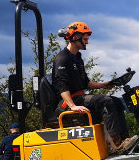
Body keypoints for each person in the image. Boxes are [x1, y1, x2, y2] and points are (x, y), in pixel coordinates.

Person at [52, 21, 134, 152]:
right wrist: (72, 106)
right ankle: (117, 144)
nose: (87, 42)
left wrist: (103, 85)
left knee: (117, 101)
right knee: (107, 102)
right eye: (85, 39)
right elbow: (61, 85)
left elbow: (85, 83)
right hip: (68, 101)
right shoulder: (62, 59)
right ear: (74, 37)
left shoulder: (77, 58)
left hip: (78, 97)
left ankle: (125, 139)